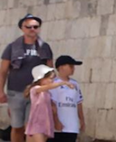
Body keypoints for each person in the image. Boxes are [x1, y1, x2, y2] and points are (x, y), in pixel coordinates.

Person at [0, 14, 54, 142]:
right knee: (17, 127)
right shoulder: (12, 47)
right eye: (28, 26)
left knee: (31, 126)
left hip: (36, 93)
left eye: (35, 26)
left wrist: (50, 90)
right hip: (16, 92)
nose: (32, 29)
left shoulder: (44, 48)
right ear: (22, 28)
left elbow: (50, 71)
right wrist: (1, 91)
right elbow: (3, 71)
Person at [23, 65, 73, 142]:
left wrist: (57, 121)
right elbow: (48, 87)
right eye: (50, 78)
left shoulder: (48, 94)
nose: (52, 81)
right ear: (41, 79)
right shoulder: (35, 90)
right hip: (36, 124)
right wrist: (62, 83)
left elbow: (53, 110)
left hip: (46, 124)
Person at [49, 56, 85, 142]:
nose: (73, 69)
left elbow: (78, 103)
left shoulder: (75, 84)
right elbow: (52, 105)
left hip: (72, 127)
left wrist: (82, 120)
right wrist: (56, 121)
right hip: (58, 128)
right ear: (61, 67)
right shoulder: (53, 84)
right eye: (71, 66)